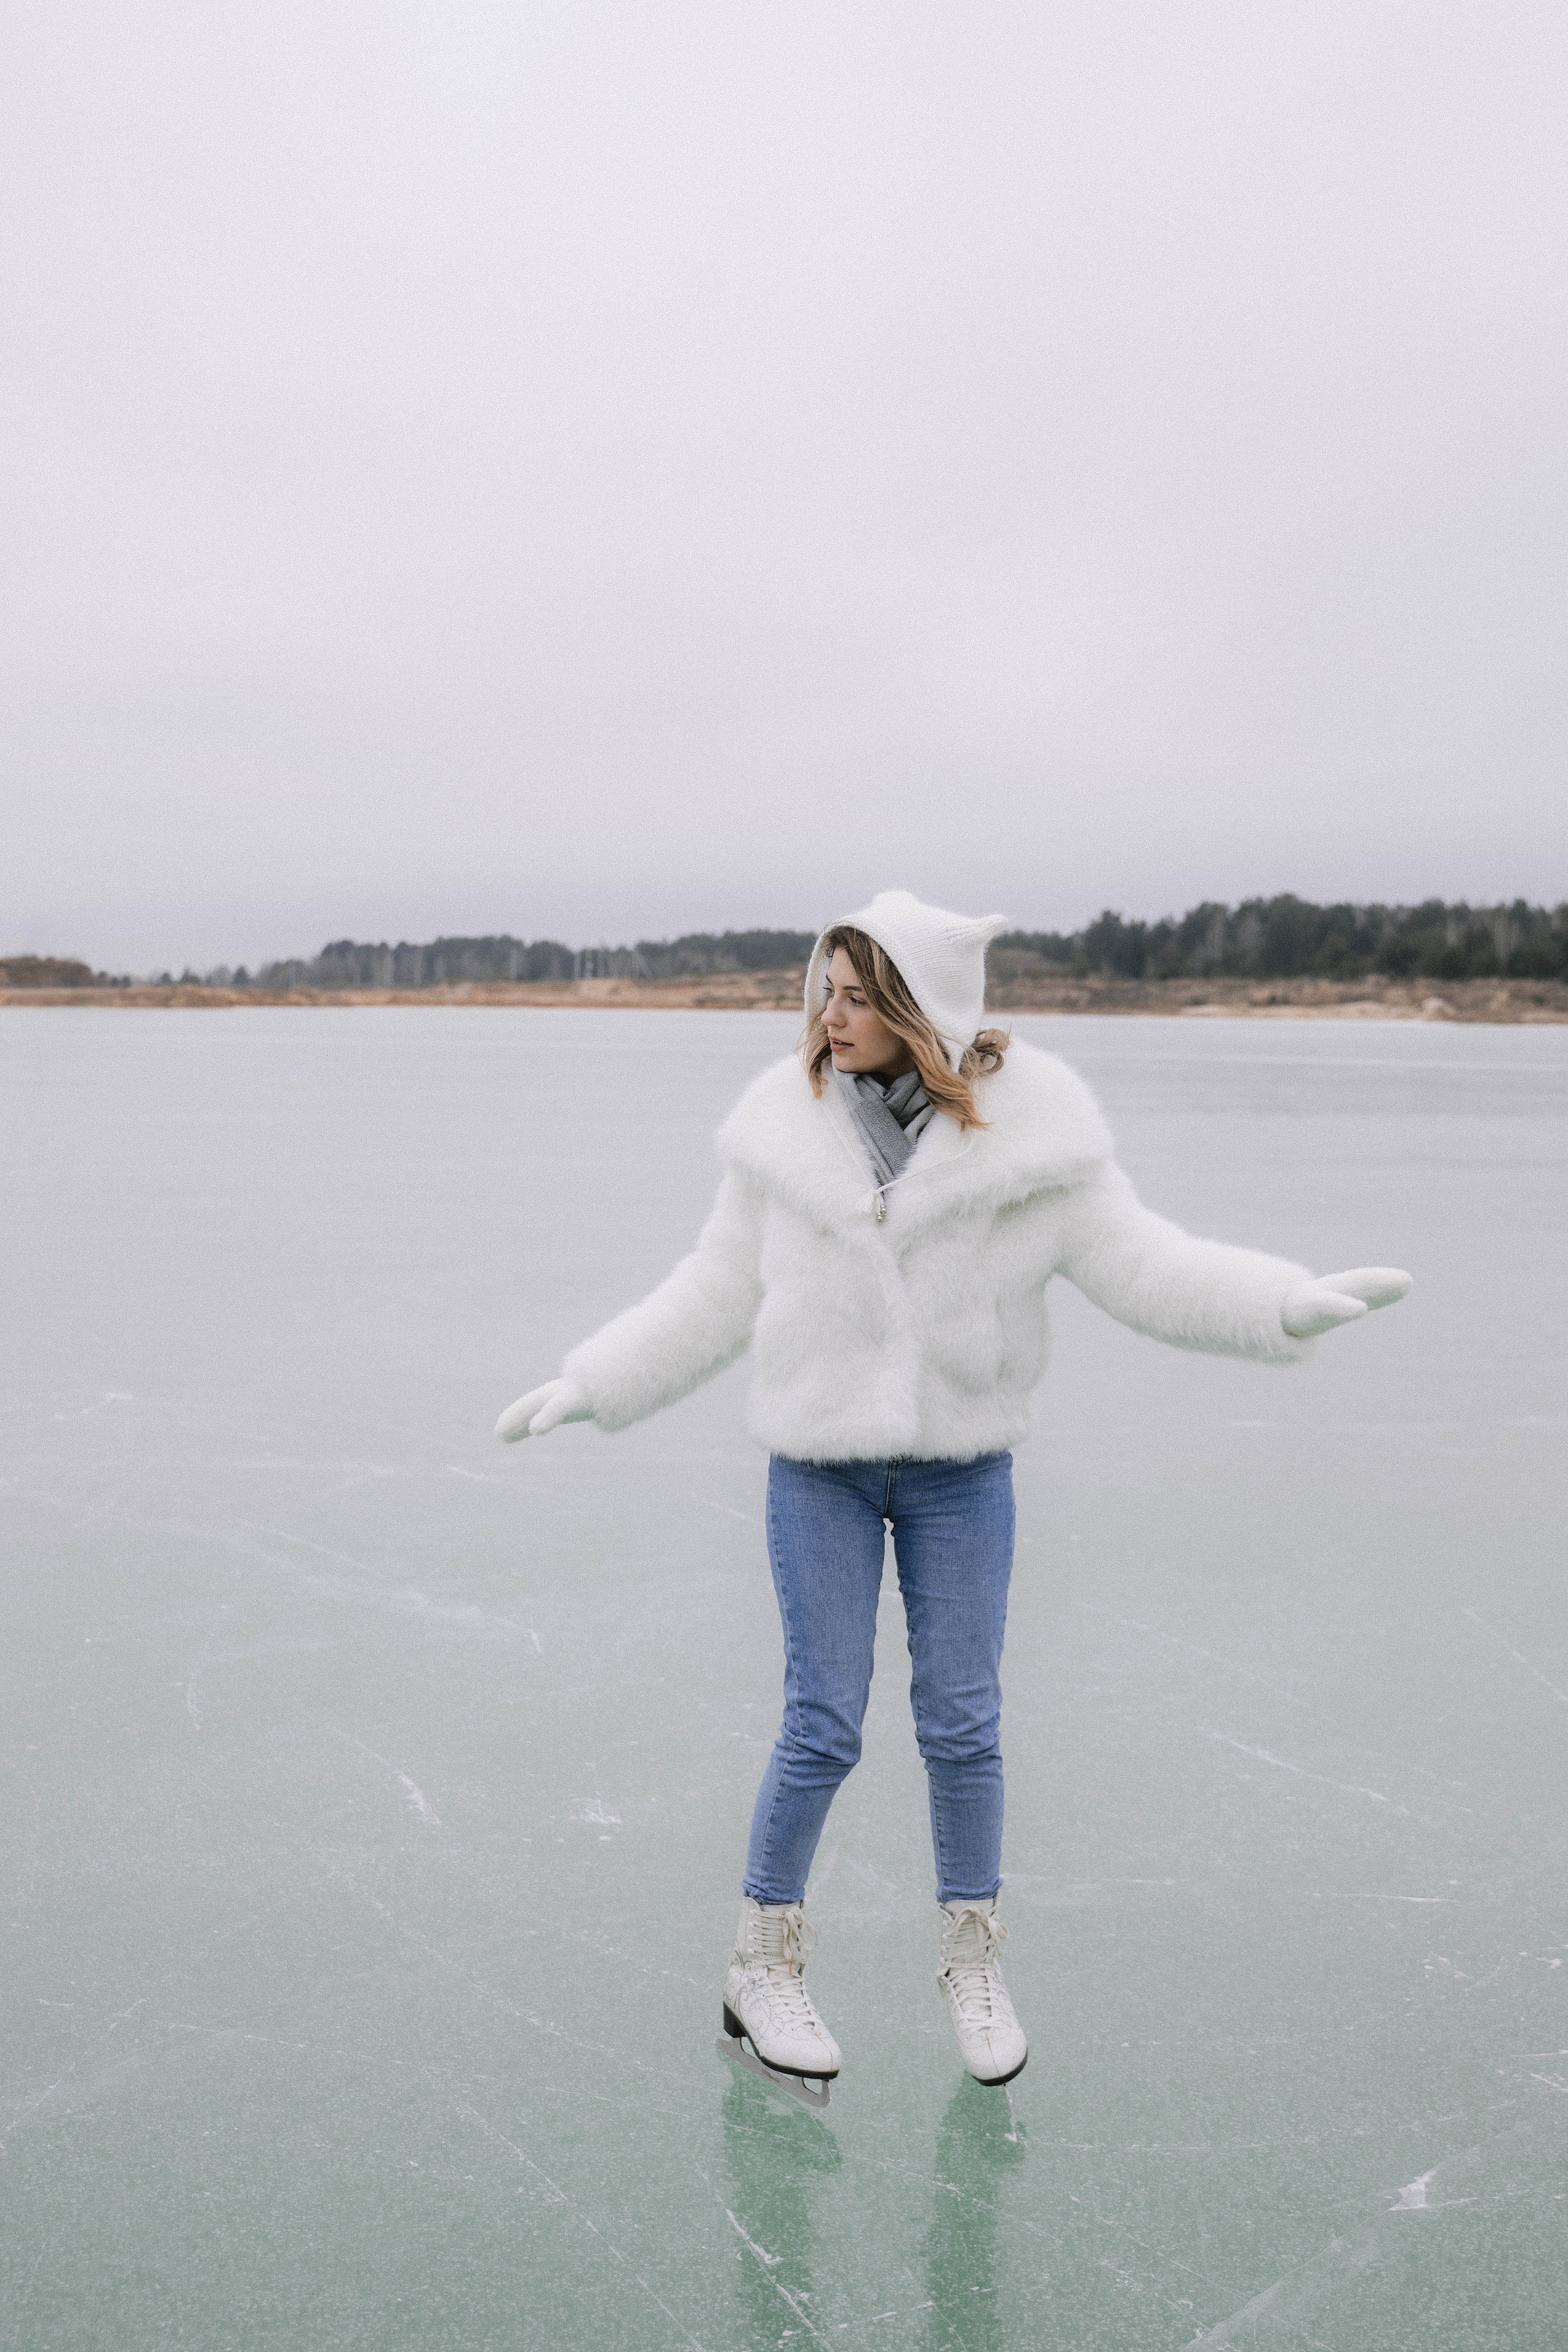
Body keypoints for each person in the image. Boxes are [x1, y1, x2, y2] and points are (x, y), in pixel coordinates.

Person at [495, 891, 1411, 2098]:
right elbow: (713, 1291)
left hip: (961, 1470)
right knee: (822, 1722)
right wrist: (595, 1379)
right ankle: (760, 1965)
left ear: (922, 1010)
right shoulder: (781, 1131)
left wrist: (1277, 1305)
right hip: (818, 1465)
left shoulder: (1032, 1143)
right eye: (825, 991)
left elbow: (1142, 1261)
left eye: (857, 997)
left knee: (963, 1724)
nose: (829, 1017)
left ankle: (972, 1964)